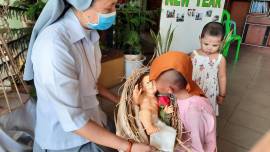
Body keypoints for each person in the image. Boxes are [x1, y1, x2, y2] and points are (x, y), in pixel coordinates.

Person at [23, 0, 155, 151]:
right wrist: (128, 147)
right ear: (82, 4)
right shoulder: (53, 45)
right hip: (67, 142)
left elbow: (90, 82)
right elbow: (74, 120)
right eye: (108, 8)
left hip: (94, 121)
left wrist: (120, 100)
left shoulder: (90, 33)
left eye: (115, 5)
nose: (114, 12)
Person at [149, 51, 217, 152]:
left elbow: (198, 148)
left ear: (170, 89)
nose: (152, 84)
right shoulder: (185, 90)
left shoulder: (193, 113)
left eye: (154, 82)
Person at [191, 22, 227, 116]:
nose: (209, 48)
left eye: (215, 45)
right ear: (200, 39)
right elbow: (188, 70)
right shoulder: (194, 54)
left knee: (207, 113)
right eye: (206, 44)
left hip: (210, 92)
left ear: (222, 43)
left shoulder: (220, 59)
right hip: (195, 88)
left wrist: (222, 94)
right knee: (194, 111)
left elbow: (222, 77)